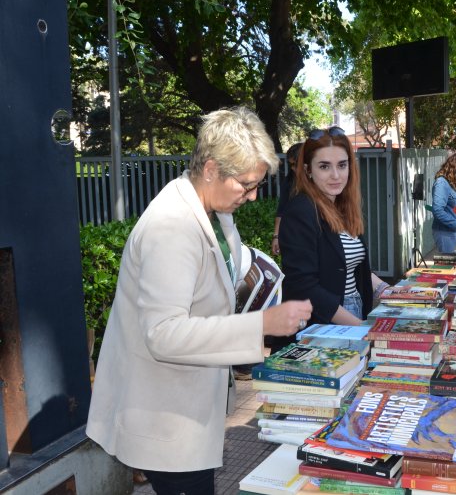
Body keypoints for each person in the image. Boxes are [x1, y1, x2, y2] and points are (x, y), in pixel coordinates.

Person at [85, 107, 313, 495]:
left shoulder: (209, 209)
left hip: (183, 411)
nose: (253, 195)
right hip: (166, 423)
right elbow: (164, 334)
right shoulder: (171, 227)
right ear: (210, 169)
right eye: (246, 184)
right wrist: (262, 324)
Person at [277, 127, 387, 353]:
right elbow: (304, 286)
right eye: (324, 166)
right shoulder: (301, 211)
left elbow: (351, 267)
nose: (336, 175)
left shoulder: (343, 207)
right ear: (307, 170)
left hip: (352, 313)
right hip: (323, 326)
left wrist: (390, 292)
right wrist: (361, 328)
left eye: (342, 165)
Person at [431, 152, 456, 252]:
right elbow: (438, 210)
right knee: (450, 265)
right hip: (445, 232)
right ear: (454, 168)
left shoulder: (455, 183)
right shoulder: (442, 183)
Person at [271, 142, 303, 255]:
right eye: (291, 165)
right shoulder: (289, 181)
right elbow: (281, 210)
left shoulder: (319, 180)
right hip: (293, 237)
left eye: (296, 164)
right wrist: (276, 236)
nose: (293, 169)